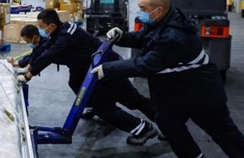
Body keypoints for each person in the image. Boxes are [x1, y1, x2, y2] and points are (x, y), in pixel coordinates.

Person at [91, 0, 244, 158]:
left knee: (222, 131)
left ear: (158, 10)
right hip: (174, 91)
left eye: (143, 9)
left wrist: (108, 70)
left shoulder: (175, 35)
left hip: (200, 92)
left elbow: (145, 64)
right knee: (168, 124)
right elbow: (143, 37)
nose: (140, 12)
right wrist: (121, 36)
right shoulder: (161, 21)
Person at [21, 9, 158, 145]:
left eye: (41, 27)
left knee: (106, 107)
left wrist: (28, 76)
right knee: (77, 82)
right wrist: (28, 66)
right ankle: (167, 124)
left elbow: (49, 55)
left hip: (106, 69)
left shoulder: (66, 36)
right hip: (101, 66)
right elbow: (44, 49)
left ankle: (143, 129)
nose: (40, 30)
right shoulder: (61, 30)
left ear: (51, 25)